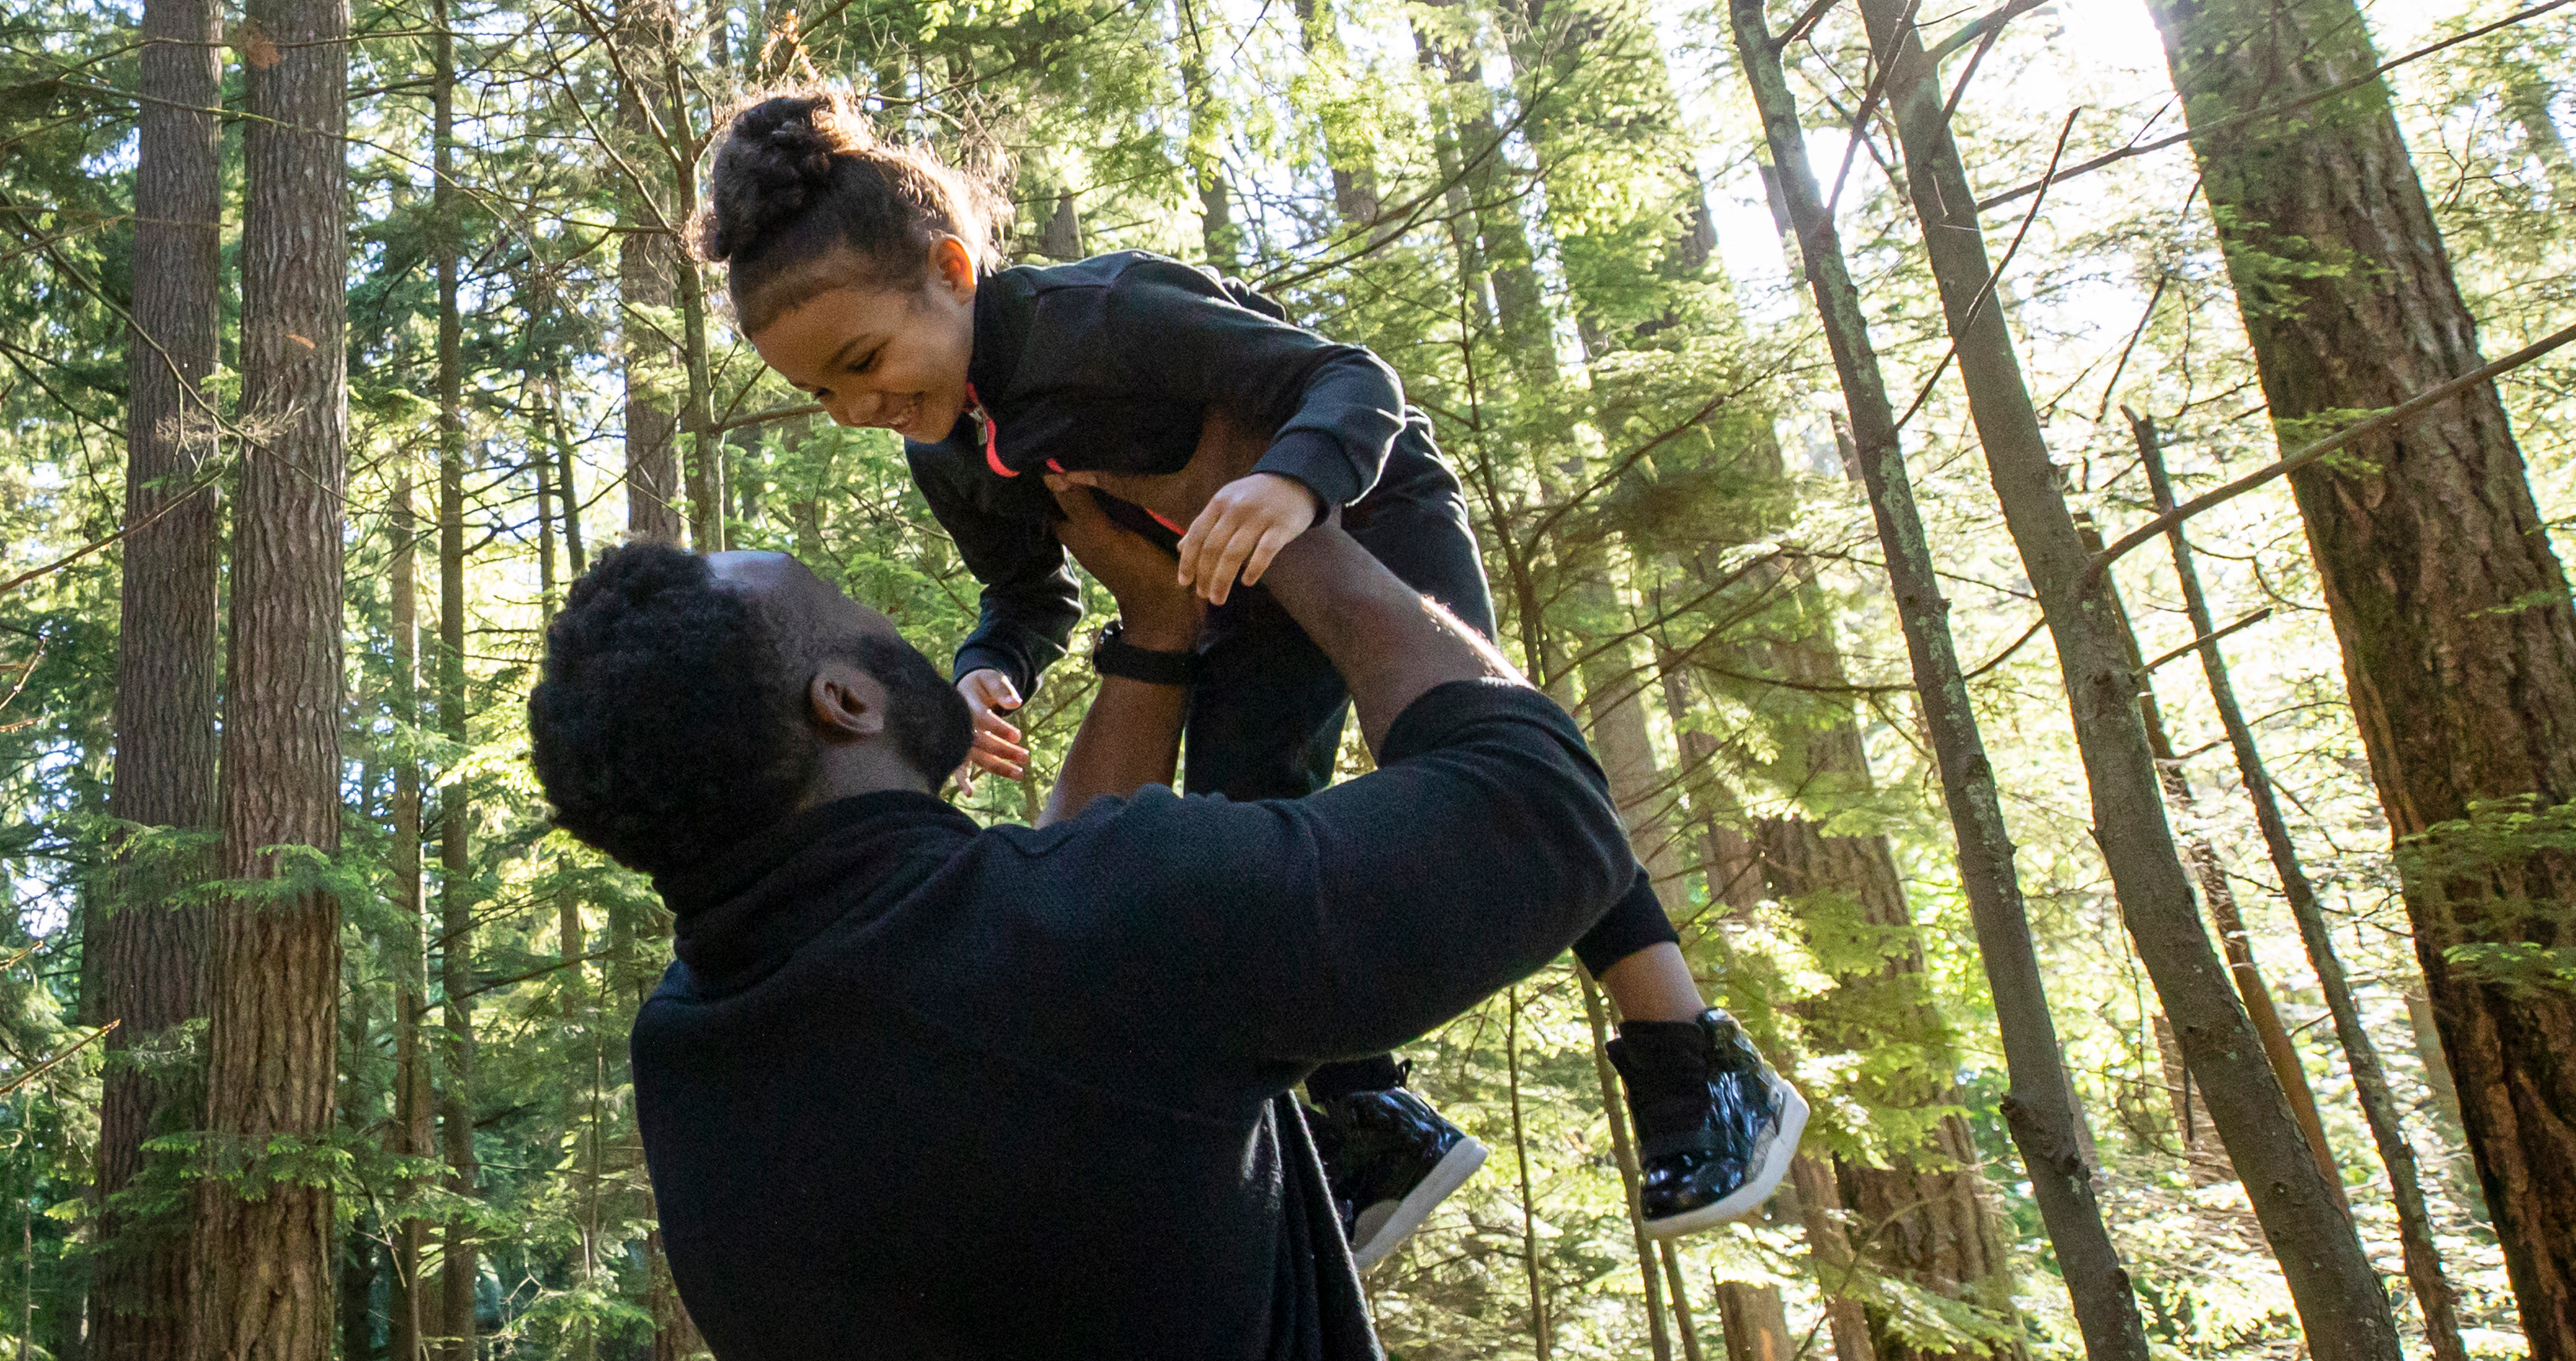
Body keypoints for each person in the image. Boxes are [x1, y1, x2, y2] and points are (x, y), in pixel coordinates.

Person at [682, 86, 1806, 1259]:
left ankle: (1690, 1055)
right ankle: (1370, 1112)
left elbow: (1350, 379)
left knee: (1487, 754)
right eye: (820, 393)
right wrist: (984, 672)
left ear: (953, 271)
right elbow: (1030, 593)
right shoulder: (947, 449)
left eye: (863, 360)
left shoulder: (1101, 312)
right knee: (1238, 811)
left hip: (1370, 507)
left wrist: (1293, 482)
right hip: (1229, 595)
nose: (858, 406)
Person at [529, 459, 1627, 1356]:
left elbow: (1030, 982)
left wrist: (1155, 630)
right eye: (856, 615)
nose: (897, 629)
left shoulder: (691, 1062)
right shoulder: (1112, 930)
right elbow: (1546, 812)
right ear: (846, 700)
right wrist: (1276, 510)